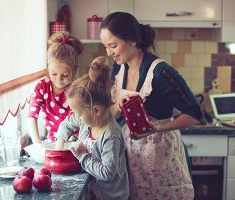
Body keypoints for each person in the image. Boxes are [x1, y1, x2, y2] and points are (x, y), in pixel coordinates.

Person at [100, 12, 205, 200]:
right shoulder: (119, 68)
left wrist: (156, 127)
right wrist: (116, 107)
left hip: (161, 154)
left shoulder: (161, 72)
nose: (109, 53)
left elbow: (195, 114)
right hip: (130, 156)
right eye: (106, 47)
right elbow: (114, 113)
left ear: (132, 40)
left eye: (113, 46)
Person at [54, 56, 130, 200]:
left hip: (111, 196)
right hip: (94, 192)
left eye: (78, 113)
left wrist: (82, 155)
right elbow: (66, 124)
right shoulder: (87, 120)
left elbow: (107, 173)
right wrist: (60, 143)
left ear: (96, 110)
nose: (77, 117)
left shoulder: (111, 135)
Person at [27, 31, 83, 144]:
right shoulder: (41, 87)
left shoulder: (78, 88)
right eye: (53, 74)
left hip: (77, 142)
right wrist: (37, 143)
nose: (58, 79)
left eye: (65, 75)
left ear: (75, 69)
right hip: (53, 141)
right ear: (48, 68)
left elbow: (78, 120)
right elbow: (32, 116)